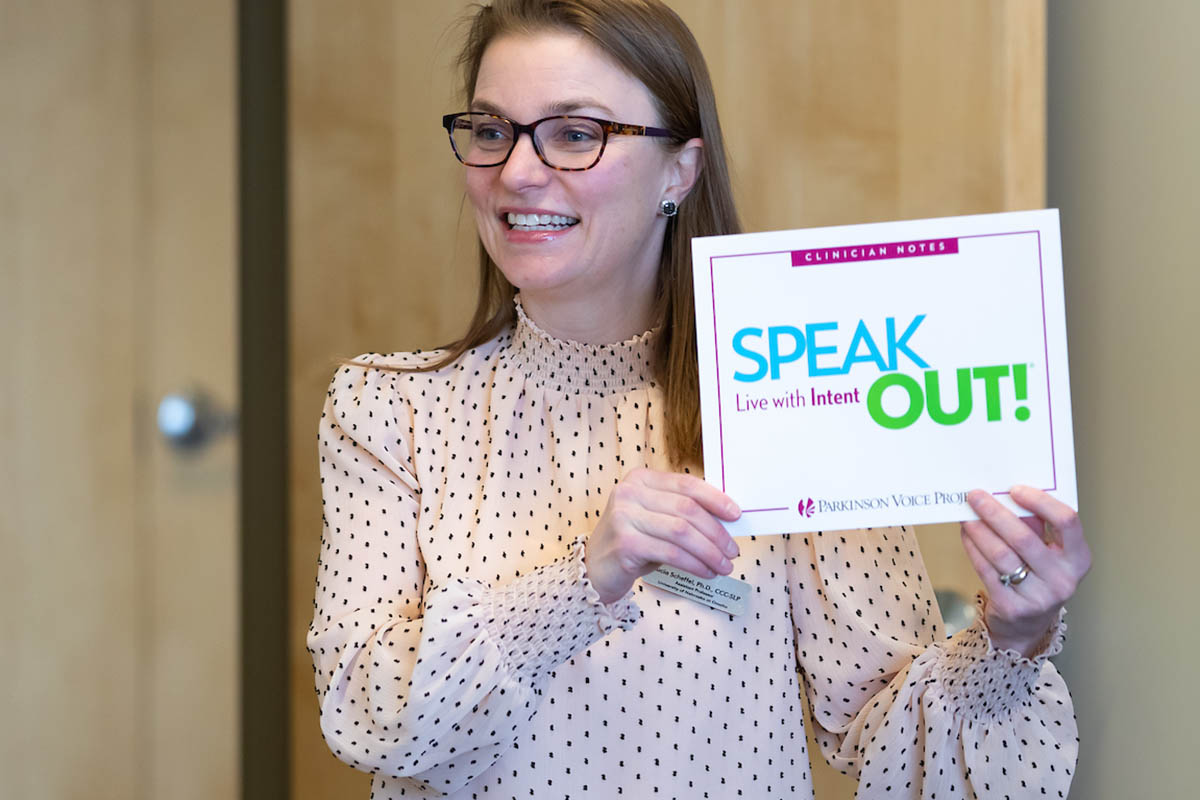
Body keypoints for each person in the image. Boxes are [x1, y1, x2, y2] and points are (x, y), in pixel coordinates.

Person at [307, 1, 1093, 797]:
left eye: (575, 134)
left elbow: (892, 742)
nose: (515, 172)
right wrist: (588, 577)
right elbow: (368, 717)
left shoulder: (795, 399)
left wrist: (1013, 637)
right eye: (491, 131)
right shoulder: (386, 411)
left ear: (680, 171)